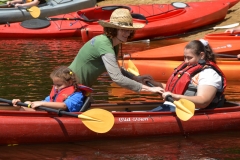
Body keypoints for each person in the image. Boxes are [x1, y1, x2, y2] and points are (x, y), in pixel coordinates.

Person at [68, 8, 164, 95]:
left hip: (80, 88)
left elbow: (116, 70)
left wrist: (136, 78)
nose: (127, 33)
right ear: (113, 29)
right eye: (123, 30)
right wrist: (149, 89)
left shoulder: (114, 44)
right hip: (68, 87)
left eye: (129, 30)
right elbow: (117, 78)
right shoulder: (104, 44)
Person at [145, 39, 227, 112]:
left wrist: (175, 96)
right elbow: (177, 89)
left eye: (189, 58)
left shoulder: (209, 74)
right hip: (172, 106)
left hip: (188, 112)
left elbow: (203, 101)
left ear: (202, 55)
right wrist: (154, 84)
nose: (186, 61)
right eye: (185, 57)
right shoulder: (189, 69)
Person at [12, 66, 92, 112]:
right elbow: (46, 101)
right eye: (54, 85)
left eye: (59, 85)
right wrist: (20, 104)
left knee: (26, 107)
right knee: (27, 103)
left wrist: (42, 104)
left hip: (63, 116)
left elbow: (64, 106)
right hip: (53, 114)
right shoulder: (57, 91)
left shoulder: (77, 95)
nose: (56, 88)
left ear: (70, 82)